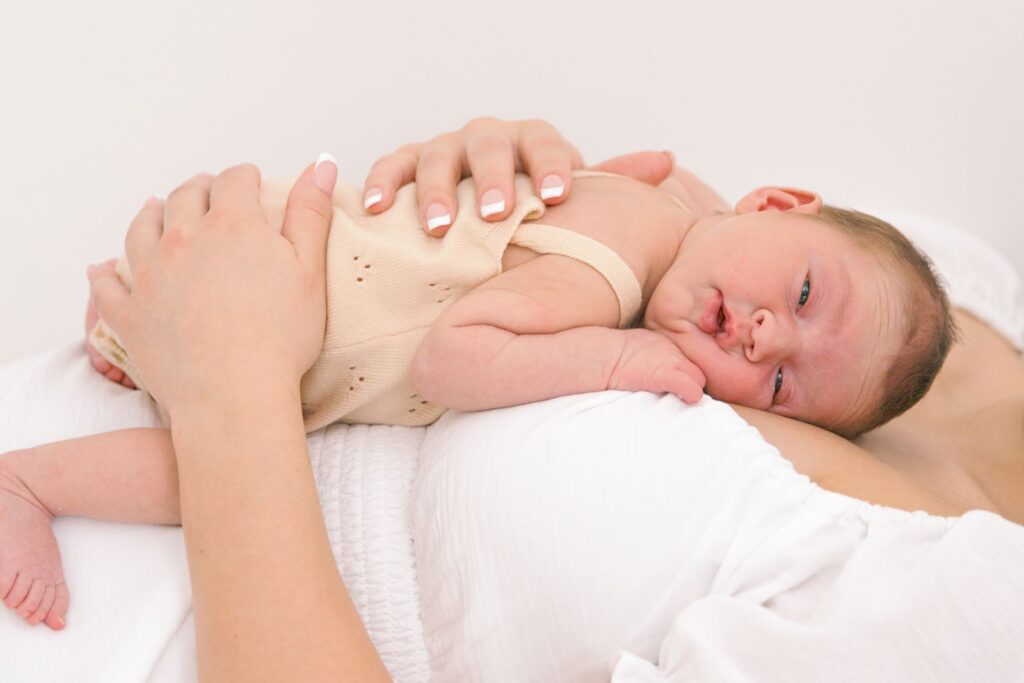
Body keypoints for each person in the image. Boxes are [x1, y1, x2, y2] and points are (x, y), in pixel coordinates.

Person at [1, 118, 1020, 680]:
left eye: (785, 383)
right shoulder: (949, 286)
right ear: (778, 202)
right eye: (798, 294)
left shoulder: (972, 620)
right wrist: (482, 180)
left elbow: (449, 368)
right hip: (136, 356)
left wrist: (229, 374)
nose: (765, 338)